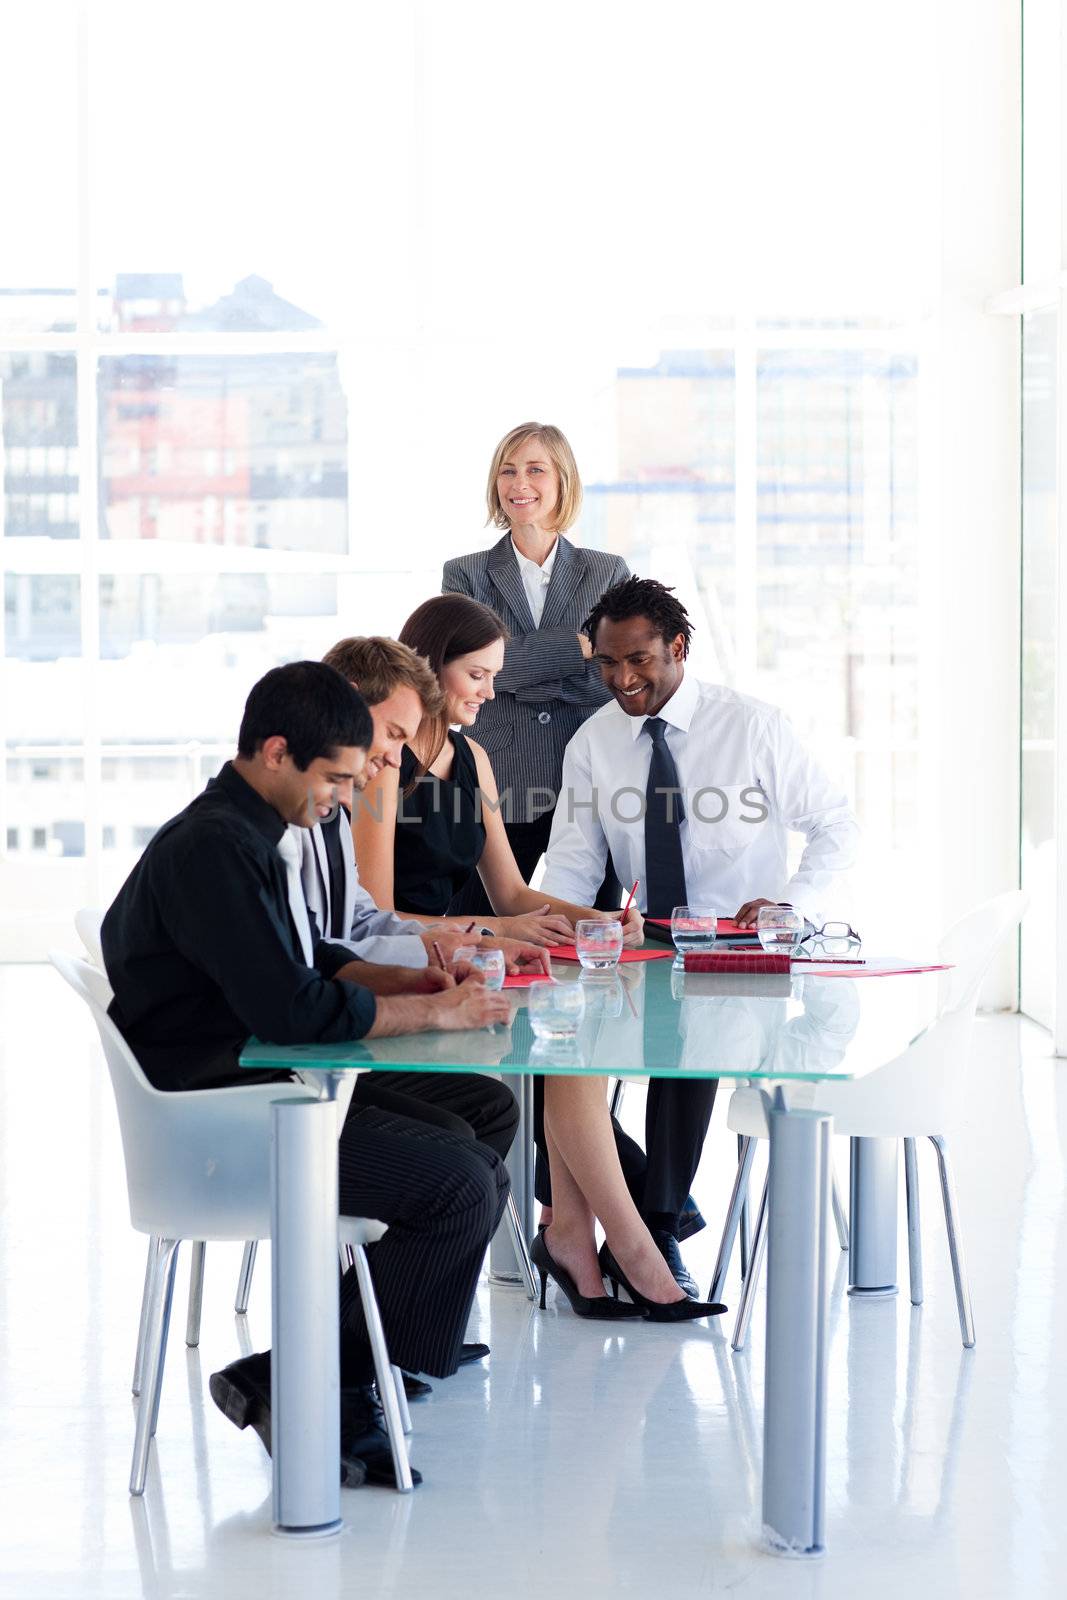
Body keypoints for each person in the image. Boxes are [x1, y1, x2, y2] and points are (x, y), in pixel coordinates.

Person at [101, 660, 514, 1488]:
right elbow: (293, 1009)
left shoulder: (247, 832)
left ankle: (350, 1360)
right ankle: (314, 1377)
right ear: (277, 751)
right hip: (228, 1118)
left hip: (261, 1084)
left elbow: (303, 959)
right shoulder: (216, 850)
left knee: (477, 1115)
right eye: (333, 779)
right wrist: (435, 1015)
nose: (340, 799)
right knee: (461, 1185)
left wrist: (408, 982)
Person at [540, 575, 860, 1291]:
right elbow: (571, 862)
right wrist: (547, 944)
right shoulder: (595, 743)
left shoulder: (749, 726)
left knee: (697, 1036)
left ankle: (649, 1233)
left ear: (677, 647)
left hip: (739, 948)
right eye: (607, 664)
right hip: (643, 942)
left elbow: (835, 824)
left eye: (639, 661)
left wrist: (789, 903)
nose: (622, 679)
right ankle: (660, 1207)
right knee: (542, 1064)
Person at [353, 593, 644, 948]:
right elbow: (379, 918)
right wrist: (499, 929)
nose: (489, 693)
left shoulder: (473, 757)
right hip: (389, 956)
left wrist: (596, 918)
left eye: (494, 676)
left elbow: (512, 895)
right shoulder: (386, 762)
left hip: (442, 947)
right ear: (430, 666)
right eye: (477, 675)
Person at [441, 421, 629, 896]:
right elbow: (468, 674)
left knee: (597, 932)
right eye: (507, 471)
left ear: (562, 480)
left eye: (535, 470)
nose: (519, 484)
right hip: (500, 784)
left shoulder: (608, 571)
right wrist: (580, 648)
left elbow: (613, 678)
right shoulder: (465, 575)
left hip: (589, 783)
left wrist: (510, 669)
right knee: (484, 934)